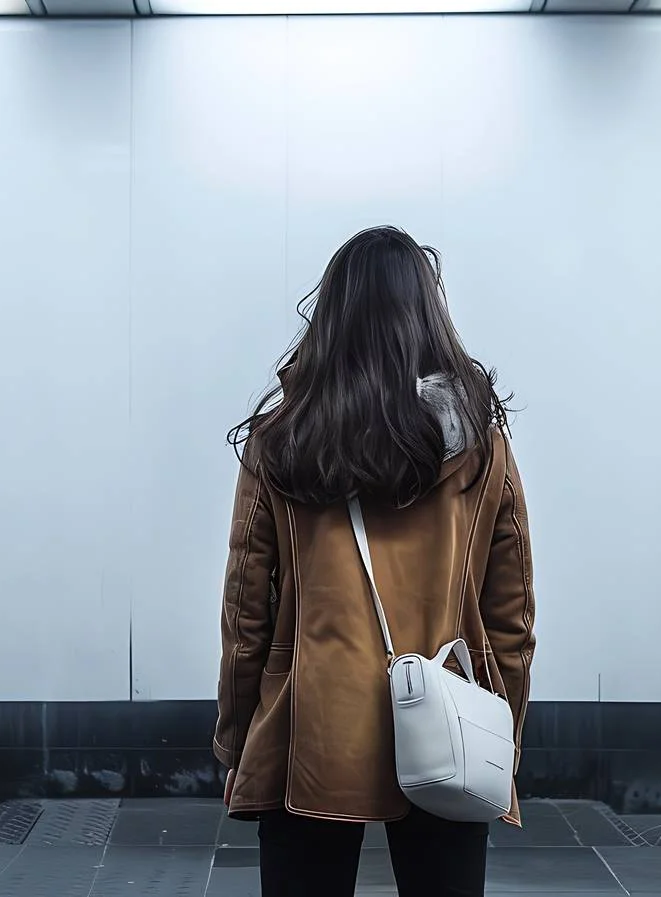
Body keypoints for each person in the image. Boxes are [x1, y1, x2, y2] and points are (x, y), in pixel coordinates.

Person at [213, 225, 537, 897]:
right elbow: (511, 616)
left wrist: (237, 740)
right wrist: (505, 736)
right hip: (450, 718)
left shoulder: (283, 442)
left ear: (331, 317)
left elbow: (247, 611)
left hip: (312, 730)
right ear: (428, 315)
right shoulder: (481, 444)